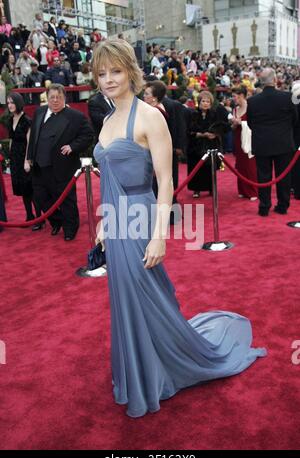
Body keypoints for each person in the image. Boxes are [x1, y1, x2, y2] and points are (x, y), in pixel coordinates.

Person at [92, 39, 266, 419]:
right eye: (102, 72)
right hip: (117, 221)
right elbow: (107, 177)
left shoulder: (150, 116)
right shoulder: (106, 121)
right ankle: (139, 369)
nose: (108, 79)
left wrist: (159, 235)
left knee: (146, 295)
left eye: (116, 71)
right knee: (126, 297)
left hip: (140, 219)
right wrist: (106, 220)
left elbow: (166, 181)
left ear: (131, 72)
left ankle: (165, 365)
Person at [27, 84, 94, 240]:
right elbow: (33, 137)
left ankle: (70, 229)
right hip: (39, 166)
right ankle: (56, 221)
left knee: (66, 200)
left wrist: (73, 146)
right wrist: (29, 157)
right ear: (47, 98)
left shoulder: (75, 116)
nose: (55, 100)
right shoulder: (39, 112)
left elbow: (88, 135)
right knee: (41, 198)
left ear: (65, 98)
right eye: (52, 97)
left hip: (62, 167)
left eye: (59, 97)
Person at [247, 68, 298, 216]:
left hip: (262, 143)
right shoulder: (288, 97)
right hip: (283, 143)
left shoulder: (253, 101)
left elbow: (251, 123)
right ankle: (283, 205)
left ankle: (264, 207)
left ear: (261, 82)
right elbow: (295, 120)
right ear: (275, 80)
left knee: (263, 176)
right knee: (284, 176)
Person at [6, 92, 40, 223]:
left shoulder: (27, 120)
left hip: (25, 157)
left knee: (30, 189)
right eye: (8, 102)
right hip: (15, 159)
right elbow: (11, 139)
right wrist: (10, 158)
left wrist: (27, 161)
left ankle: (38, 218)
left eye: (12, 102)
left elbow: (29, 142)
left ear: (18, 102)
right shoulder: (10, 120)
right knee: (22, 189)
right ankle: (29, 215)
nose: (10, 105)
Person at [187, 91, 226, 198]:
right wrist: (202, 134)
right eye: (203, 101)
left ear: (211, 103)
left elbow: (221, 128)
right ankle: (196, 189)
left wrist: (215, 134)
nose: (205, 103)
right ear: (199, 102)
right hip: (196, 145)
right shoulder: (193, 114)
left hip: (211, 145)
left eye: (208, 101)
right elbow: (189, 131)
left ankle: (211, 188)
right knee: (196, 168)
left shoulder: (215, 114)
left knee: (210, 168)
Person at [232, 86, 258, 200]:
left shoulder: (251, 107)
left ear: (241, 95)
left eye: (234, 96)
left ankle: (252, 191)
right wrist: (234, 123)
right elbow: (233, 127)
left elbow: (255, 124)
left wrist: (241, 122)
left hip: (249, 139)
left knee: (250, 165)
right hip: (238, 138)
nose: (233, 99)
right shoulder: (235, 109)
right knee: (240, 165)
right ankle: (242, 190)